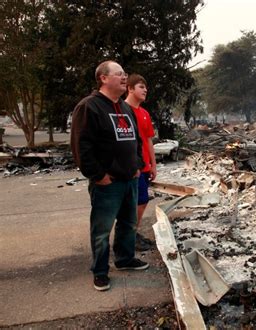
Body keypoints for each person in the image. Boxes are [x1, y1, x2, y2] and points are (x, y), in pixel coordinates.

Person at [70, 60, 149, 292]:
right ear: (103, 78)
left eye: (125, 74)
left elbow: (136, 141)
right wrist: (98, 175)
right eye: (119, 74)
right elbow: (81, 146)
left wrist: (138, 166)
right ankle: (100, 272)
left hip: (130, 179)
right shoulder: (89, 107)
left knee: (128, 223)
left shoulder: (125, 108)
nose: (125, 78)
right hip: (107, 183)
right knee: (102, 229)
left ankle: (125, 259)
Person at [125, 74, 157, 251]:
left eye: (145, 87)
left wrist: (153, 164)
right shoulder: (122, 110)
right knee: (136, 201)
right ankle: (128, 236)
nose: (145, 90)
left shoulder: (144, 113)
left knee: (142, 201)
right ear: (130, 89)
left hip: (144, 166)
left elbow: (149, 140)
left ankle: (132, 233)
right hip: (130, 168)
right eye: (140, 87)